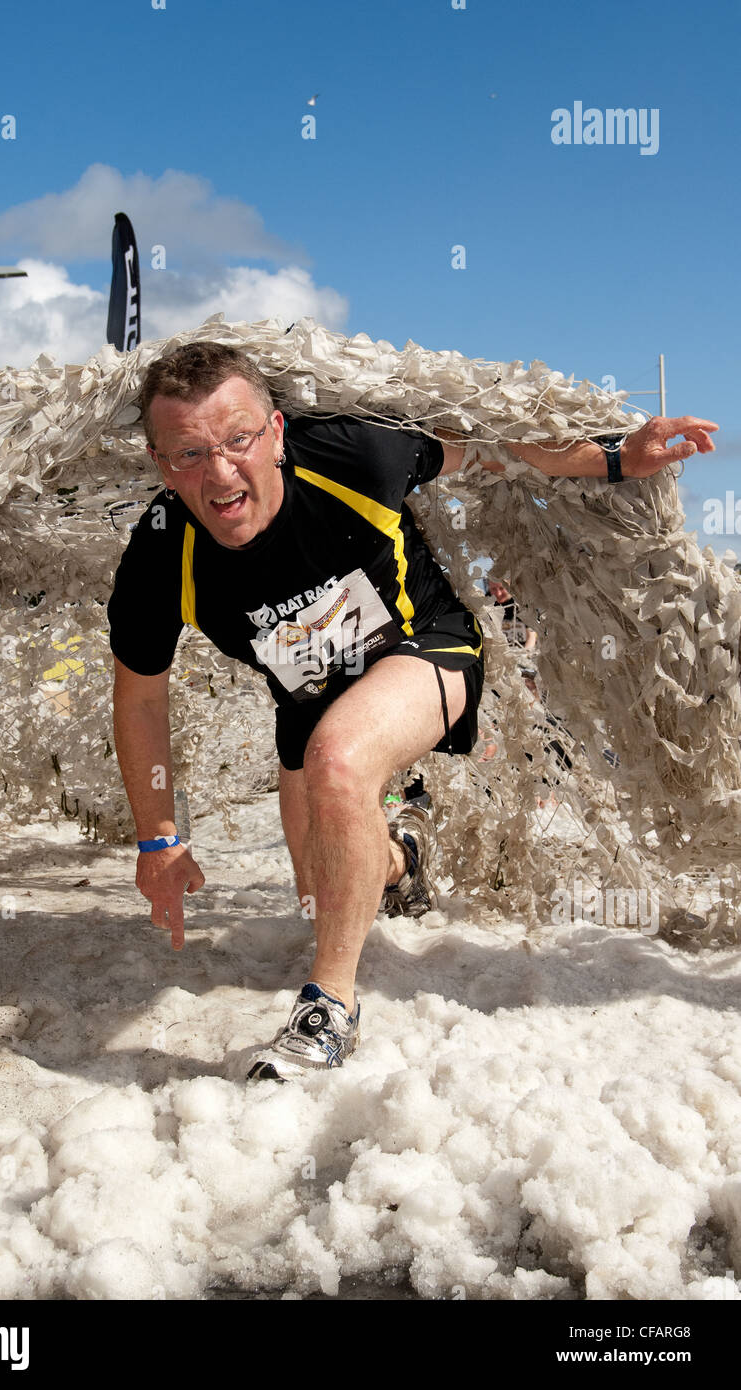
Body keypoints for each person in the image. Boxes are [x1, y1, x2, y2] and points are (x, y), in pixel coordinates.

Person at [107, 342, 717, 1081]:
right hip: (305, 700)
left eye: (238, 440)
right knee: (322, 887)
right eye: (189, 453)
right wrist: (156, 840)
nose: (220, 471)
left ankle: (329, 1007)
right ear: (158, 462)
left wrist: (617, 456)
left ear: (274, 431)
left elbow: (496, 446)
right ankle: (400, 857)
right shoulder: (159, 552)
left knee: (340, 762)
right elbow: (141, 696)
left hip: (423, 652)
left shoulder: (352, 457)